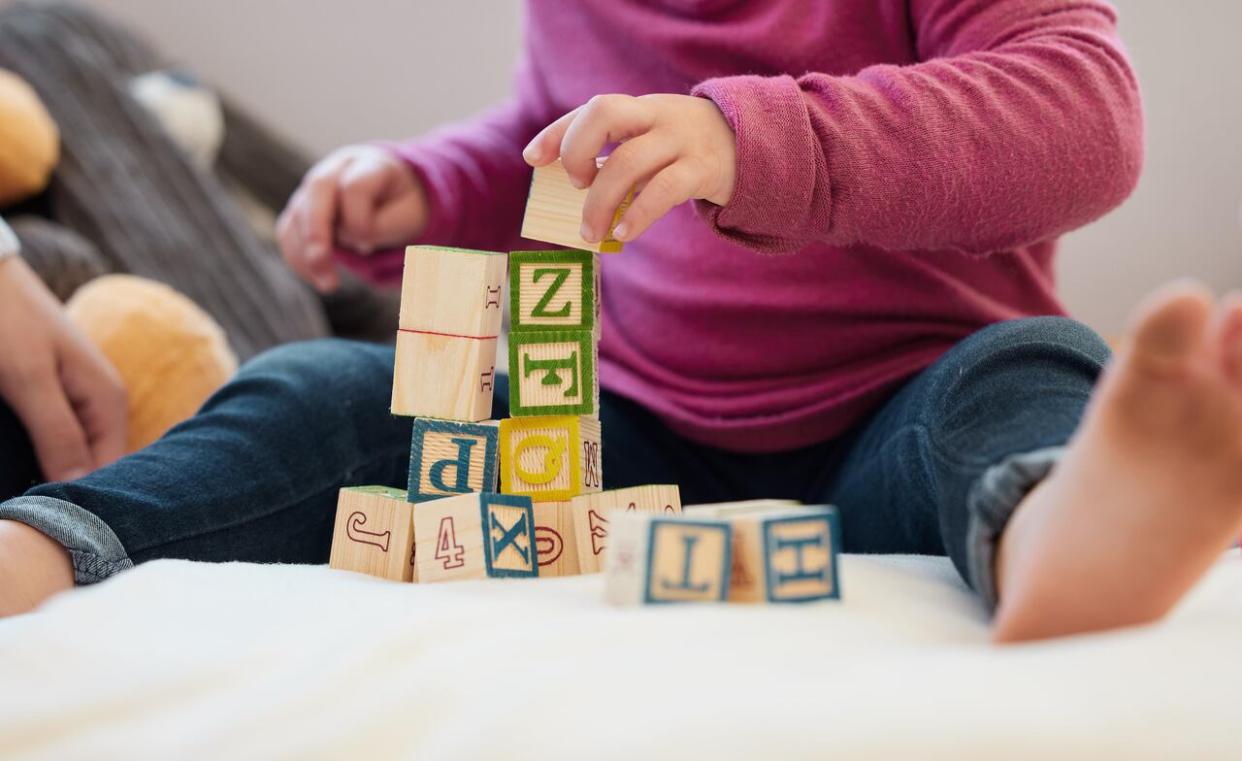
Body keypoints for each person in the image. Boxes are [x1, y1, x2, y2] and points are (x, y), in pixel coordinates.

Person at [2, 0, 1240, 642]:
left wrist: (751, 140)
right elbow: (555, 136)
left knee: (1026, 373)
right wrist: (426, 180)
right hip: (619, 430)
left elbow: (1085, 114)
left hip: (900, 408)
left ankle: (1058, 536)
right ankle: (60, 537)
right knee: (329, 385)